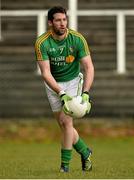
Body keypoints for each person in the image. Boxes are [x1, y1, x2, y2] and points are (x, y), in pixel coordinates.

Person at [35, 6, 94, 172]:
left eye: (64, 19)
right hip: (53, 84)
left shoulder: (77, 39)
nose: (62, 23)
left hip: (73, 82)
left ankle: (64, 167)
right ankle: (85, 151)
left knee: (66, 122)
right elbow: (46, 73)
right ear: (50, 23)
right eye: (58, 20)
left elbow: (89, 67)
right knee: (63, 125)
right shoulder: (42, 42)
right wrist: (61, 93)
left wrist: (86, 93)